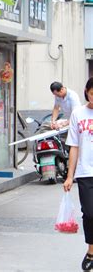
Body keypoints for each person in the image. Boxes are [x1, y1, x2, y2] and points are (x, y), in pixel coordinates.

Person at [63, 77, 93, 271]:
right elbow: (74, 146)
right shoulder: (78, 113)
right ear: (86, 92)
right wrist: (69, 175)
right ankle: (91, 249)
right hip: (85, 172)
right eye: (92, 94)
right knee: (90, 214)